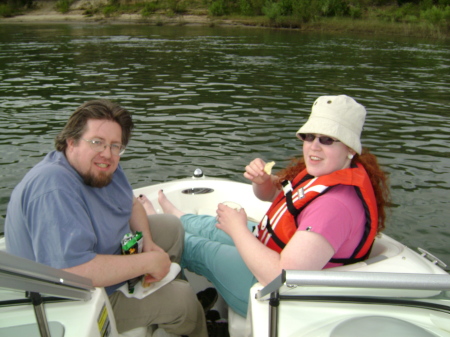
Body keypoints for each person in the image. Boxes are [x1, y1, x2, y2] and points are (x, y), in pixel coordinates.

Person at [138, 94, 390, 318]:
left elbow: (280, 278)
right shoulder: (323, 174)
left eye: (327, 139)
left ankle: (178, 297)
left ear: (349, 149)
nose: (313, 146)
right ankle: (176, 216)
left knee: (195, 247)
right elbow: (277, 196)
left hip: (268, 293)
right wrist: (263, 181)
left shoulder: (335, 206)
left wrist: (238, 230)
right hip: (267, 248)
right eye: (309, 136)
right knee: (209, 225)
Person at [4, 99, 207, 336]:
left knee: (171, 227)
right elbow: (72, 272)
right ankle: (185, 316)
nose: (107, 154)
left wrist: (148, 243)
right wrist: (148, 261)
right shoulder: (53, 188)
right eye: (97, 142)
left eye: (115, 146)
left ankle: (165, 299)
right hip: (77, 299)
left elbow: (130, 204)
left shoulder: (103, 166)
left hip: (106, 257)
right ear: (71, 141)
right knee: (183, 302)